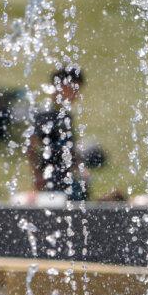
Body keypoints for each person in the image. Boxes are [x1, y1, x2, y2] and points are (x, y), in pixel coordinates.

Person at [28, 66, 88, 200]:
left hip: (66, 174)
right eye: (74, 90)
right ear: (61, 86)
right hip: (50, 175)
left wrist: (79, 166)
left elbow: (70, 146)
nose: (76, 95)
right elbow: (31, 147)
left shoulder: (65, 115)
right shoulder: (44, 113)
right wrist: (37, 176)